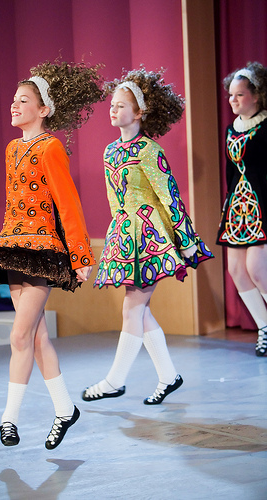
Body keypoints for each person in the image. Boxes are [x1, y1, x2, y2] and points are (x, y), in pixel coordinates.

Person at [0, 61, 105, 449]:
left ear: (44, 110)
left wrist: (80, 255)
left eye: (23, 100)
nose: (13, 105)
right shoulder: (12, 149)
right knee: (37, 337)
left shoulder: (51, 146)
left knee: (20, 334)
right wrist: (1, 240)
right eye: (12, 99)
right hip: (14, 247)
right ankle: (64, 410)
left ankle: (8, 418)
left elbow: (68, 203)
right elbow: (13, 205)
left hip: (43, 252)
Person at [81, 68, 213, 406]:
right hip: (126, 236)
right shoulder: (110, 151)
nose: (113, 110)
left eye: (122, 105)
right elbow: (114, 200)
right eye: (112, 104)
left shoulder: (149, 150)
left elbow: (169, 195)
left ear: (139, 112)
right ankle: (169, 376)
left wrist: (184, 239)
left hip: (151, 237)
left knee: (132, 308)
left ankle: (114, 381)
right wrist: (116, 234)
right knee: (141, 310)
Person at [216, 62, 267, 357]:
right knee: (236, 269)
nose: (233, 100)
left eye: (239, 95)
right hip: (237, 207)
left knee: (257, 270)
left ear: (256, 96)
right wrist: (227, 203)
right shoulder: (230, 129)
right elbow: (230, 172)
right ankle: (264, 327)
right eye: (231, 96)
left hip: (261, 205)